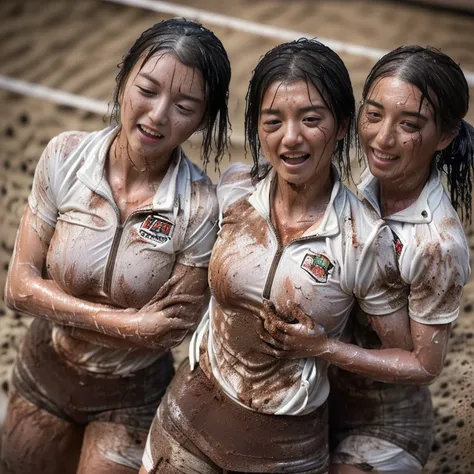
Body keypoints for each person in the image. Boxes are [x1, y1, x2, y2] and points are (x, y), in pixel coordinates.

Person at [140, 38, 408, 474]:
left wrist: (326, 348)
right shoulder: (234, 190)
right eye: (273, 121)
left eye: (310, 119)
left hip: (284, 450)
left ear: (342, 126)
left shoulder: (366, 238)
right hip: (186, 418)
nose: (290, 138)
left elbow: (404, 358)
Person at [1, 18, 231, 474]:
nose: (158, 116)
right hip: (46, 368)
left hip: (132, 393)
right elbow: (18, 288)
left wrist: (61, 303)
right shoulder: (65, 156)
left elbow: (167, 331)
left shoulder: (201, 205)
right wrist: (126, 323)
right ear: (124, 78)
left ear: (203, 119)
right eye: (146, 90)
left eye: (184, 106)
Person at [262, 46, 473, 473]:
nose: (383, 138)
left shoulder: (436, 244)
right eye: (374, 115)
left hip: (383, 423)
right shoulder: (365, 186)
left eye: (409, 125)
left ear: (445, 136)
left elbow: (423, 365)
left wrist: (324, 348)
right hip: (318, 404)